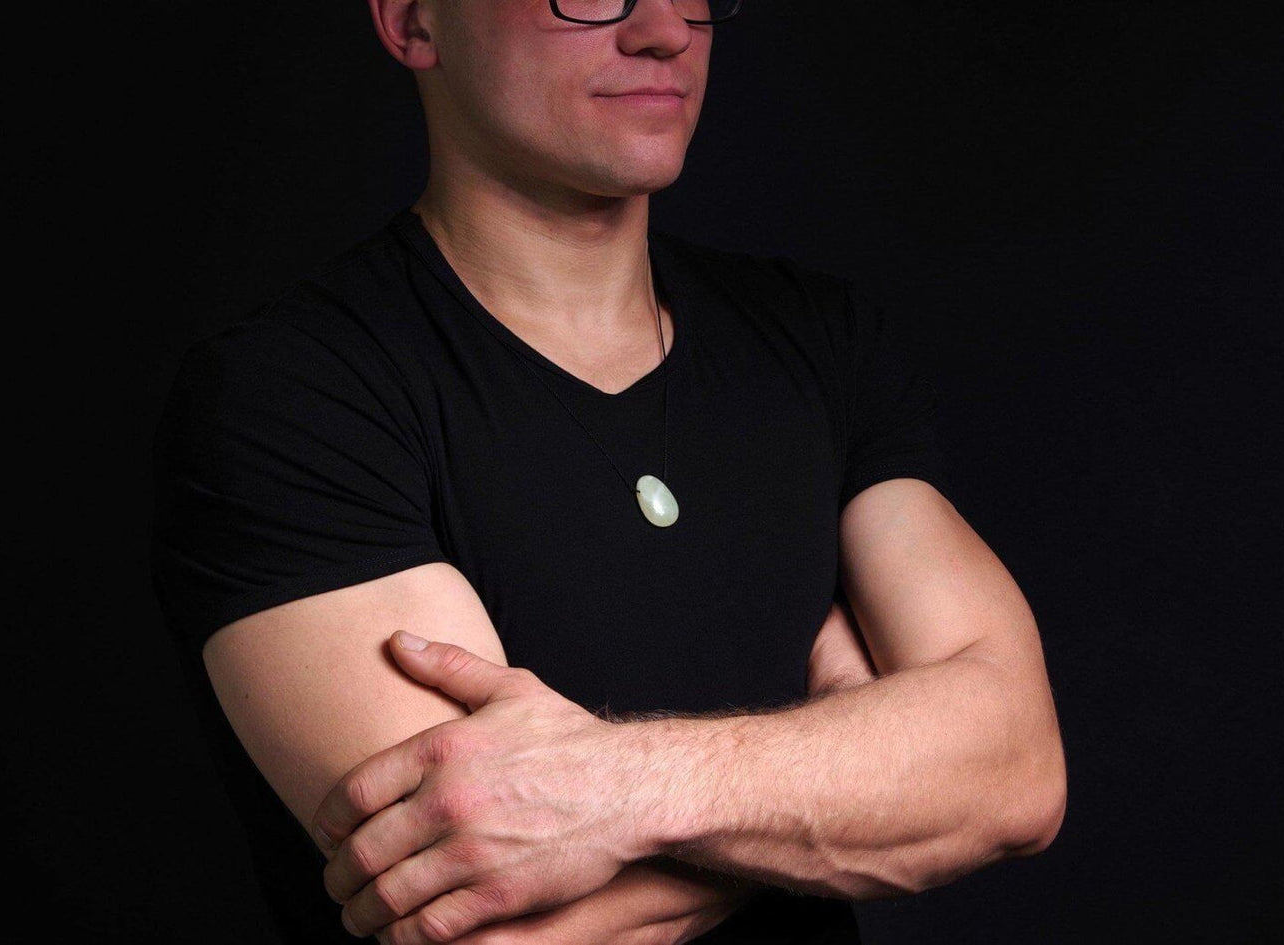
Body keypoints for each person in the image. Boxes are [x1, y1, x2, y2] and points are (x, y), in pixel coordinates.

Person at [150, 1, 1066, 942]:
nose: (664, 28)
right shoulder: (290, 393)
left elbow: (1016, 774)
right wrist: (853, 753)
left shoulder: (817, 340)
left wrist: (611, 787)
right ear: (415, 22)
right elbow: (501, 931)